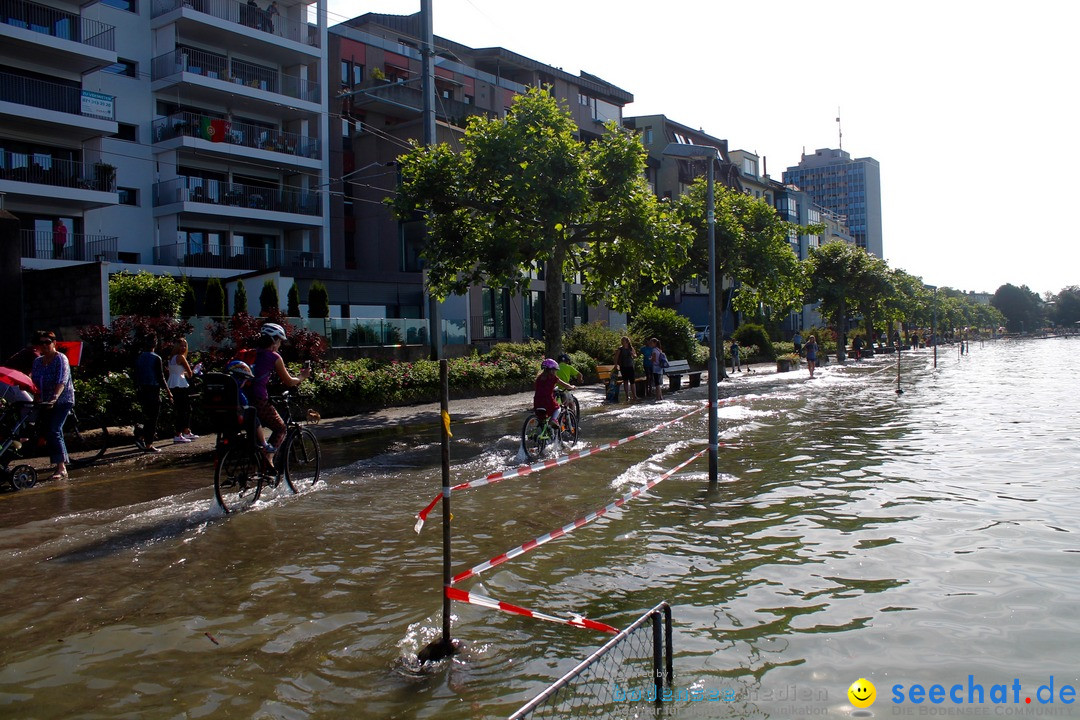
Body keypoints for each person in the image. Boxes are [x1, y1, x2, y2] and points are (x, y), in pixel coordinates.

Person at [251, 322, 311, 451]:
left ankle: (257, 464)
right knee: (281, 428)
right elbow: (289, 382)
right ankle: (269, 457)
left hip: (244, 398)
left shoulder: (252, 353)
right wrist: (303, 376)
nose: (279, 345)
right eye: (280, 341)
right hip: (259, 399)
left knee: (255, 432)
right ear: (275, 340)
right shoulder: (274, 357)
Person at [29, 331, 74, 480]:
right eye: (41, 343)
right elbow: (34, 382)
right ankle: (61, 463)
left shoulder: (61, 358)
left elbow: (62, 379)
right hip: (44, 401)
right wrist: (36, 396)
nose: (44, 345)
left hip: (62, 400)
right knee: (50, 431)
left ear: (54, 343)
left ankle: (61, 468)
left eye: (47, 342)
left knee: (54, 429)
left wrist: (54, 398)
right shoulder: (38, 362)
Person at [227, 360, 274, 467]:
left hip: (222, 417)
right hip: (237, 418)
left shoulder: (224, 386)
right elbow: (245, 404)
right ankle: (263, 443)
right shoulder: (237, 390)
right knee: (253, 413)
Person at [134, 334, 172, 453]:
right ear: (155, 344)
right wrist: (168, 392)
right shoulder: (156, 358)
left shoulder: (140, 357)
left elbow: (136, 375)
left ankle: (141, 436)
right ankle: (148, 445)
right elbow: (160, 377)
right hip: (153, 390)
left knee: (146, 416)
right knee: (153, 418)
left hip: (142, 390)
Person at [168, 338, 198, 443]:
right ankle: (180, 433)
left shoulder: (172, 357)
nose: (184, 348)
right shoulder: (181, 357)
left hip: (173, 383)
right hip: (181, 385)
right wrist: (194, 371)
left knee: (181, 409)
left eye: (185, 346)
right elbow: (190, 373)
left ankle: (185, 431)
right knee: (185, 410)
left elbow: (177, 372)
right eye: (181, 345)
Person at [533, 358, 575, 429]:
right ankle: (553, 420)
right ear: (552, 370)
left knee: (542, 418)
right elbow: (565, 385)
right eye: (555, 370)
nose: (555, 372)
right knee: (557, 408)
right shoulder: (553, 378)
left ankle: (541, 433)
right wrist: (572, 387)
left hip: (537, 401)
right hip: (547, 400)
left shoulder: (539, 378)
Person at [555, 353, 582, 420]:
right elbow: (579, 374)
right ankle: (573, 421)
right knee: (571, 403)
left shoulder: (555, 367)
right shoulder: (568, 367)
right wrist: (580, 380)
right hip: (564, 389)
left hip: (555, 390)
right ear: (567, 361)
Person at [613, 336, 637, 401]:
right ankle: (627, 396)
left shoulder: (631, 348)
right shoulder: (620, 349)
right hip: (623, 366)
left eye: (623, 341)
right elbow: (616, 358)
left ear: (627, 341)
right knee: (625, 381)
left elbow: (635, 356)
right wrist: (616, 365)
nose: (622, 342)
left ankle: (634, 395)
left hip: (630, 366)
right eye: (622, 341)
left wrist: (633, 354)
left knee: (632, 381)